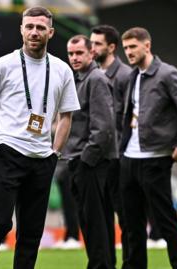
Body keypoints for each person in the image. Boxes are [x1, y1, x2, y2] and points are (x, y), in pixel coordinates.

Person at [0, 6, 80, 269]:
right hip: (7, 149)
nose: (34, 32)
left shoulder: (62, 70)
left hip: (43, 157)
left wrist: (55, 152)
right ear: (21, 29)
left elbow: (66, 116)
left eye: (40, 27)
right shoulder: (1, 65)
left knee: (31, 231)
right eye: (29, 26)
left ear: (51, 32)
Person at [119, 27, 177, 269]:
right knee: (131, 222)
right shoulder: (133, 76)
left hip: (156, 158)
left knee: (165, 220)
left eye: (133, 46)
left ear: (147, 45)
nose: (129, 52)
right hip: (129, 158)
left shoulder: (167, 74)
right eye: (126, 48)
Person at [65, 34, 117, 269]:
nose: (74, 57)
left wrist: (85, 161)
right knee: (96, 221)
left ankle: (99, 265)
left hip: (91, 163)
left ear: (91, 53)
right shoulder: (80, 80)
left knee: (93, 222)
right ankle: (102, 264)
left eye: (79, 53)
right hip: (83, 160)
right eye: (71, 53)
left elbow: (104, 127)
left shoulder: (95, 79)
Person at [90, 24, 132, 265]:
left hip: (121, 157)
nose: (92, 47)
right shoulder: (92, 73)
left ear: (111, 47)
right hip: (100, 157)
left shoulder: (125, 76)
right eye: (91, 43)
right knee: (101, 216)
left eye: (97, 44)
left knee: (126, 217)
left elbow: (130, 117)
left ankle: (129, 262)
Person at [51, 159, 82, 249]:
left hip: (68, 167)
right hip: (60, 170)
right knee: (66, 206)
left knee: (70, 205)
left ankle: (74, 237)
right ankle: (68, 236)